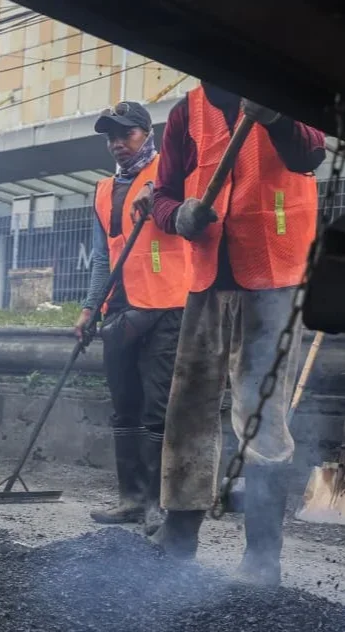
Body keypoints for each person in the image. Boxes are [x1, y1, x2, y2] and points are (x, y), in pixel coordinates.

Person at [150, 83, 325, 586]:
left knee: (261, 416)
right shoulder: (189, 110)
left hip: (272, 280)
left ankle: (262, 557)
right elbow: (163, 194)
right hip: (207, 279)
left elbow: (310, 151)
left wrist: (275, 117)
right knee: (188, 411)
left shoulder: (282, 88)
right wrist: (178, 215)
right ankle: (179, 533)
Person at [76, 102, 189, 536]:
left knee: (157, 410)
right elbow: (103, 255)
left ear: (148, 133)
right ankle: (132, 500)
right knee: (124, 407)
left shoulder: (172, 174)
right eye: (111, 137)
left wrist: (162, 193)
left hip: (166, 305)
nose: (117, 144)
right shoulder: (104, 190)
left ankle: (161, 505)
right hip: (120, 309)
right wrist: (89, 307)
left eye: (127, 134)